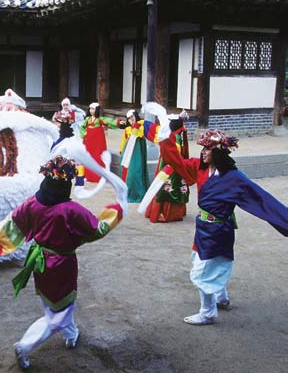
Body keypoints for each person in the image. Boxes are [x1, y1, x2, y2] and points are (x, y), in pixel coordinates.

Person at [0, 156, 124, 370]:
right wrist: (117, 211)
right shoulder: (71, 210)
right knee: (60, 311)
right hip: (61, 264)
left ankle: (71, 334)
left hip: (39, 260)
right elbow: (97, 230)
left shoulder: (32, 202)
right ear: (67, 183)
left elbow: (9, 227)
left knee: (54, 304)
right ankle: (25, 346)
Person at [158, 124, 288, 325]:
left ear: (218, 153)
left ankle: (207, 312)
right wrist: (166, 138)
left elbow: (262, 199)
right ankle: (221, 296)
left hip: (219, 230)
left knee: (202, 271)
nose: (203, 153)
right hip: (203, 228)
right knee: (204, 261)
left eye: (208, 149)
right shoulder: (199, 169)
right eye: (203, 148)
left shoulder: (234, 178)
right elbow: (175, 161)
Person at [144, 113, 190, 223]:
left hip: (170, 164)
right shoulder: (175, 134)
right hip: (168, 160)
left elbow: (176, 153)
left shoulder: (174, 136)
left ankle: (165, 213)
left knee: (167, 186)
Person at [119, 109, 159, 203]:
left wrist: (139, 125)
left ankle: (138, 194)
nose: (130, 120)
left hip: (138, 153)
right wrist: (121, 151)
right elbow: (124, 141)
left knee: (137, 172)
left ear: (136, 117)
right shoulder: (127, 129)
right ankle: (128, 193)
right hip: (128, 154)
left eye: (132, 117)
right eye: (128, 119)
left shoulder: (141, 127)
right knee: (128, 174)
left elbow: (143, 133)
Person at [79, 103, 123, 183]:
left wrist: (118, 122)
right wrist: (84, 134)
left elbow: (108, 121)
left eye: (94, 109)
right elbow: (82, 127)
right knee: (88, 156)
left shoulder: (100, 119)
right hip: (89, 140)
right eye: (91, 109)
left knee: (98, 156)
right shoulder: (87, 119)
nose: (92, 111)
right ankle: (88, 175)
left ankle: (98, 176)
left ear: (97, 110)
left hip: (97, 140)